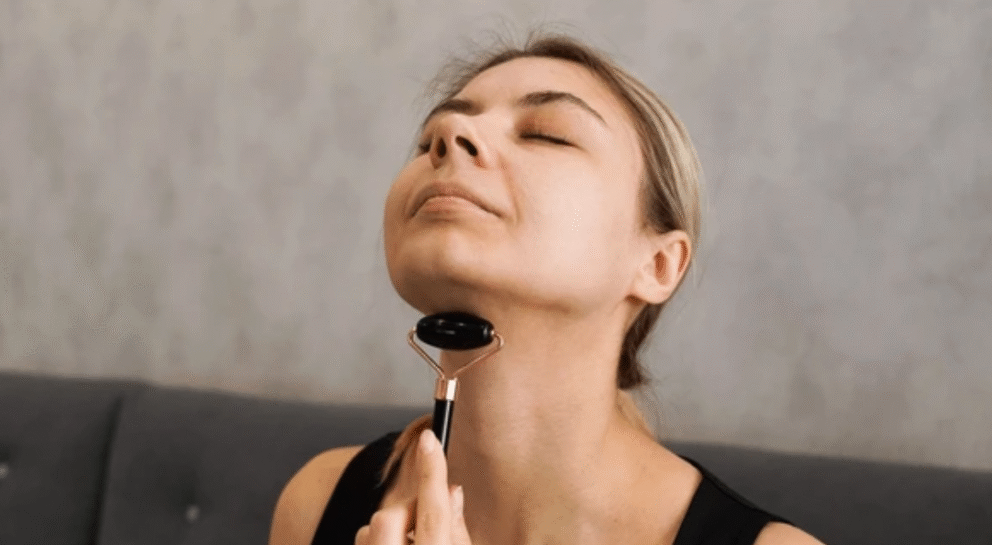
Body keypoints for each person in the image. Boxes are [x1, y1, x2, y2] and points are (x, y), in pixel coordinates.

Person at [269, 31, 823, 545]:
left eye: (545, 134)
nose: (449, 135)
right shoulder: (316, 503)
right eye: (425, 140)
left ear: (657, 264)